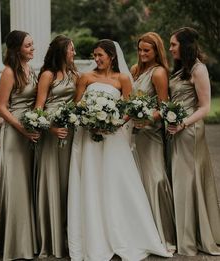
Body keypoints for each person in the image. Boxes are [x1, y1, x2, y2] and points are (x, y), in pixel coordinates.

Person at [67, 39, 172, 261]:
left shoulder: (123, 78)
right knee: (91, 181)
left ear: (112, 56)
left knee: (116, 182)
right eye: (94, 55)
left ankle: (124, 233)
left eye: (100, 55)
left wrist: (114, 123)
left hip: (113, 138)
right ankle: (94, 237)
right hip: (89, 138)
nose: (96, 59)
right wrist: (88, 121)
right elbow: (76, 107)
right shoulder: (85, 78)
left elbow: (128, 109)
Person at [168, 27, 220, 256]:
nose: (170, 49)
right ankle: (184, 235)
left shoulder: (198, 69)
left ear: (185, 45)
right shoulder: (181, 70)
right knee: (181, 184)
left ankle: (190, 239)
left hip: (190, 132)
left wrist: (183, 123)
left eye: (173, 45)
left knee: (188, 183)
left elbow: (206, 107)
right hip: (176, 130)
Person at [0, 30, 39, 260]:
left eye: (32, 44)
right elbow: (1, 107)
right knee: (18, 186)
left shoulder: (32, 70)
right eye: (28, 45)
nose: (32, 48)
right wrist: (23, 129)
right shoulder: (9, 72)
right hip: (15, 133)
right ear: (17, 48)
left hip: (31, 131)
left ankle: (31, 240)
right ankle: (18, 245)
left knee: (29, 184)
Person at [130, 32, 176, 252]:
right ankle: (143, 233)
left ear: (157, 51)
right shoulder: (135, 70)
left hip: (151, 133)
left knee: (156, 179)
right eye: (140, 49)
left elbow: (164, 107)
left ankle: (164, 236)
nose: (142, 53)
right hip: (133, 135)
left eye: (146, 50)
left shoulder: (159, 73)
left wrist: (147, 118)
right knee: (138, 182)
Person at [34, 35, 78, 258]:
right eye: (72, 49)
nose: (75, 53)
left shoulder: (74, 74)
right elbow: (38, 109)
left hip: (71, 134)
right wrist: (51, 129)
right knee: (53, 182)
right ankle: (51, 240)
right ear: (62, 51)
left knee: (68, 184)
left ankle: (69, 237)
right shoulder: (47, 75)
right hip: (52, 135)